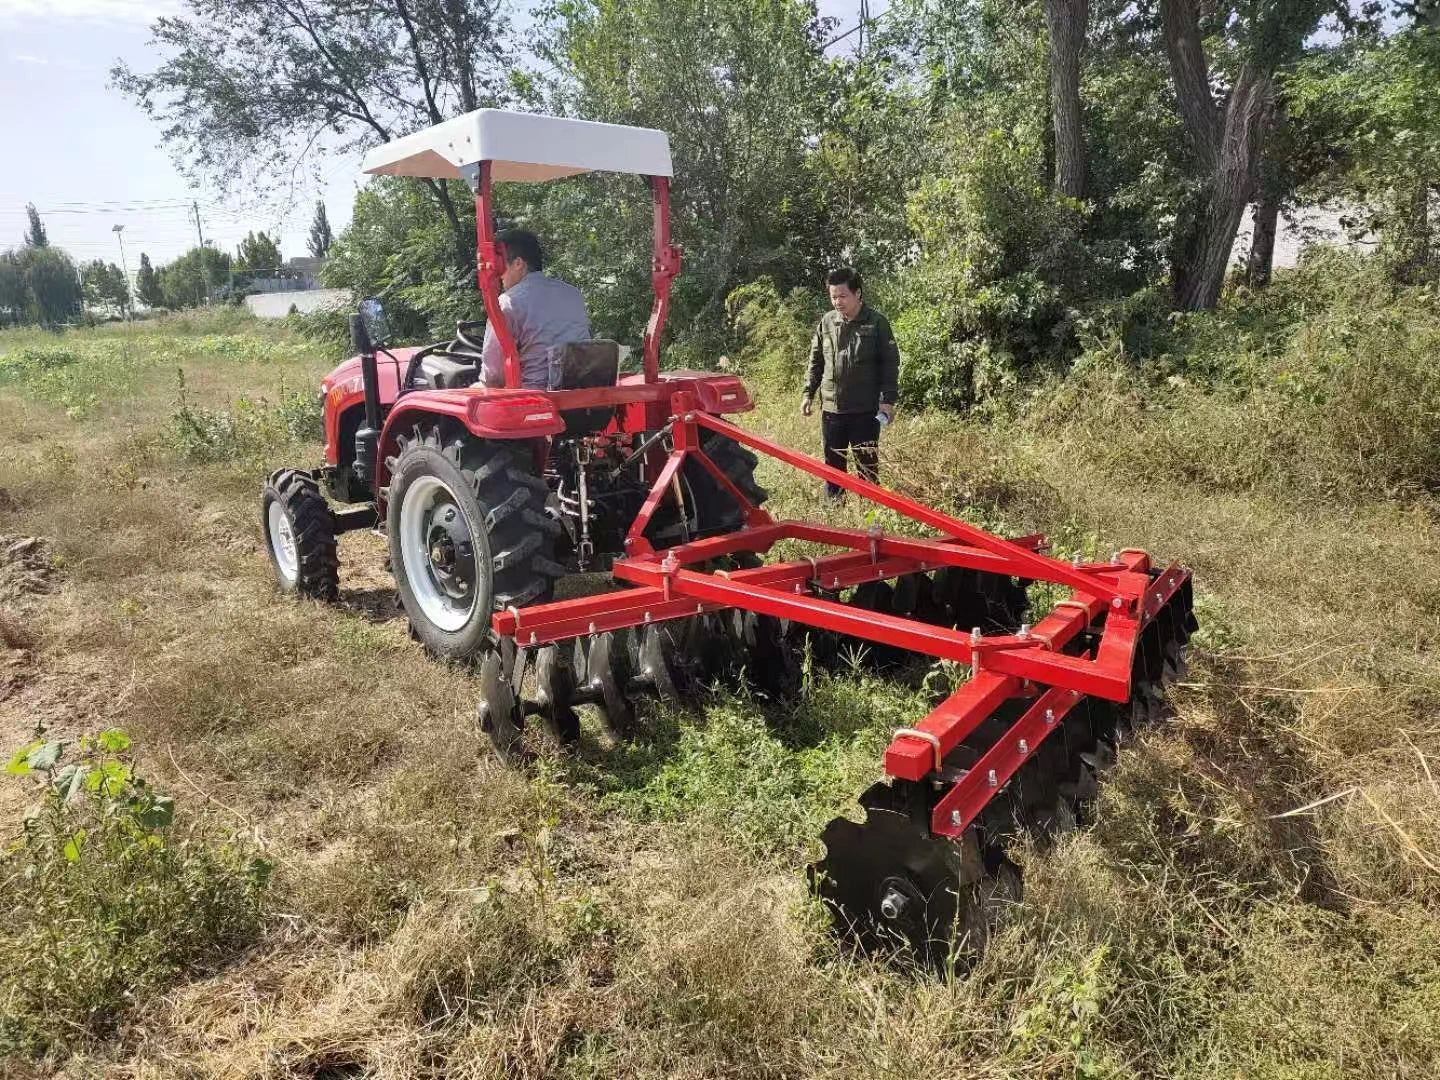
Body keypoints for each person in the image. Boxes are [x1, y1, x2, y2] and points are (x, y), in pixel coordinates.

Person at [801, 267, 900, 499]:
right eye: (833, 296)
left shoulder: (877, 323)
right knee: (833, 467)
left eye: (843, 296)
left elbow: (890, 365)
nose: (838, 302)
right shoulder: (827, 322)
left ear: (857, 293)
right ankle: (835, 509)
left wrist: (887, 401)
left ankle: (870, 510)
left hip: (864, 411)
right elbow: (816, 361)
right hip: (832, 410)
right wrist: (808, 393)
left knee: (867, 467)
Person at [480, 229, 591, 389]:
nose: (499, 276)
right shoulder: (573, 294)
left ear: (518, 263)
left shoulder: (508, 303)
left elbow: (494, 377)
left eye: (501, 267)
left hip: (533, 395)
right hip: (579, 393)